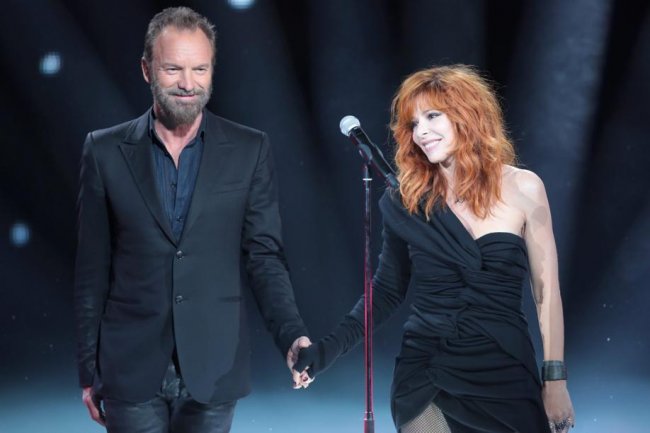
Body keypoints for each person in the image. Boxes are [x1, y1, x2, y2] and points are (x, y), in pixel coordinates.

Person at [294, 65, 575, 433]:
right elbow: (385, 292)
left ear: (467, 113)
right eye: (412, 124)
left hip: (504, 368)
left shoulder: (524, 187)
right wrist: (325, 351)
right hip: (426, 371)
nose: (421, 132)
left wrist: (555, 380)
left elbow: (546, 291)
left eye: (432, 116)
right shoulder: (406, 202)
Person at [74, 7, 310, 433]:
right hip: (130, 367)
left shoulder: (248, 148)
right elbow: (92, 270)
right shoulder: (104, 150)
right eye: (173, 68)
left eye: (200, 68)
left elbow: (264, 257)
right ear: (147, 70)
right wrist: (87, 371)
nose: (188, 83)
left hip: (215, 364)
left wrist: (292, 336)